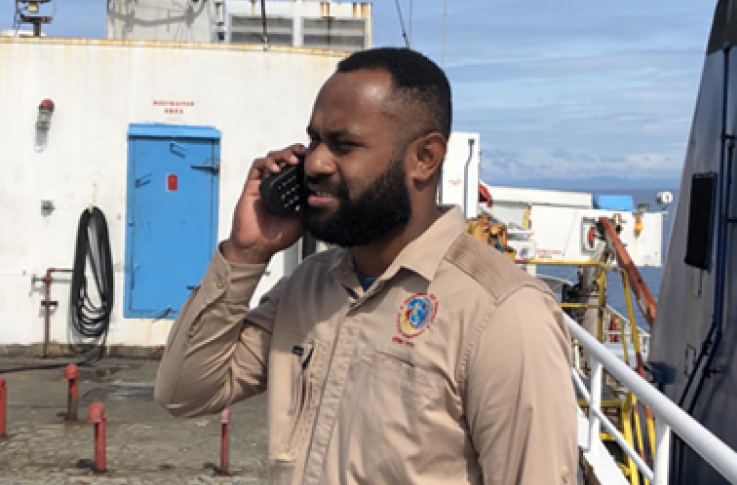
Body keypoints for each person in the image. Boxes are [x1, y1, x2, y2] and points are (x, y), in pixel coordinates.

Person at [155, 47, 578, 485]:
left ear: (424, 159)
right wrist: (245, 254)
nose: (315, 163)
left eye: (344, 145)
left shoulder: (503, 314)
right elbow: (184, 393)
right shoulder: (309, 286)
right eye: (315, 141)